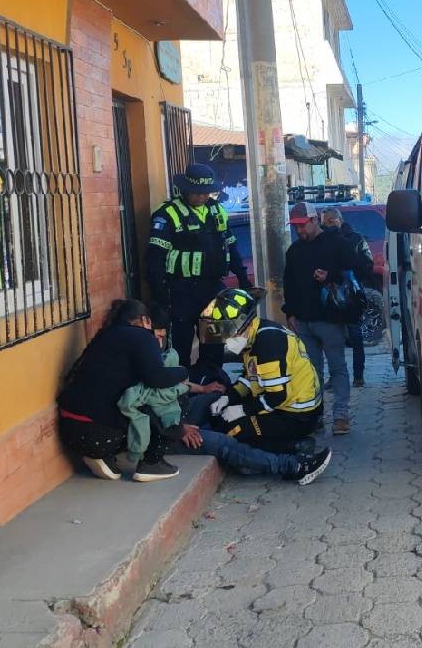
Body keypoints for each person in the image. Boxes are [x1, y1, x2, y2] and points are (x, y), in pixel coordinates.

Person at [57, 299, 212, 482]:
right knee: (174, 394)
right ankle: (152, 463)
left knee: (134, 396)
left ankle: (103, 456)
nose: (158, 339)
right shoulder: (141, 336)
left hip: (69, 430)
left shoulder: (105, 335)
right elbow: (157, 379)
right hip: (100, 434)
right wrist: (184, 372)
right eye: (157, 333)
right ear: (145, 320)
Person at [146, 163, 251, 371]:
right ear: (185, 189)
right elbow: (155, 259)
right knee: (181, 347)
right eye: (197, 193)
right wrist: (160, 297)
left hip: (213, 289)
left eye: (206, 192)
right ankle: (183, 392)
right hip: (181, 290)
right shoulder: (168, 214)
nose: (202, 197)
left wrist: (243, 277)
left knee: (214, 345)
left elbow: (231, 244)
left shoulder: (216, 210)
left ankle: (211, 383)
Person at [198, 287, 326, 452]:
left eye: (225, 332)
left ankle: (295, 447)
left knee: (232, 432)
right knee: (222, 420)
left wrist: (242, 410)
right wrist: (228, 398)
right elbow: (251, 378)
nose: (224, 339)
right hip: (285, 406)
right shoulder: (254, 336)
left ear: (242, 324)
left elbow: (277, 397)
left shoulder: (267, 343)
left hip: (296, 415)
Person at [282, 202, 358, 435]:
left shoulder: (338, 244)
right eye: (295, 227)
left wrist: (330, 276)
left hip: (330, 319)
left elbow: (356, 272)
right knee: (311, 372)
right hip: (303, 321)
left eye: (302, 225)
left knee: (338, 367)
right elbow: (289, 284)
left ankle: (341, 416)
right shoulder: (294, 251)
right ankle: (316, 416)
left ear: (315, 220)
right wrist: (291, 313)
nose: (299, 231)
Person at [321, 207, 374, 388]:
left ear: (338, 220)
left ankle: (358, 375)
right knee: (332, 339)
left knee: (355, 336)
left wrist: (351, 277)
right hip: (331, 295)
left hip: (351, 296)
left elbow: (367, 265)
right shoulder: (323, 241)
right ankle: (335, 376)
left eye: (329, 221)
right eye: (324, 222)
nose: (326, 225)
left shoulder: (355, 239)